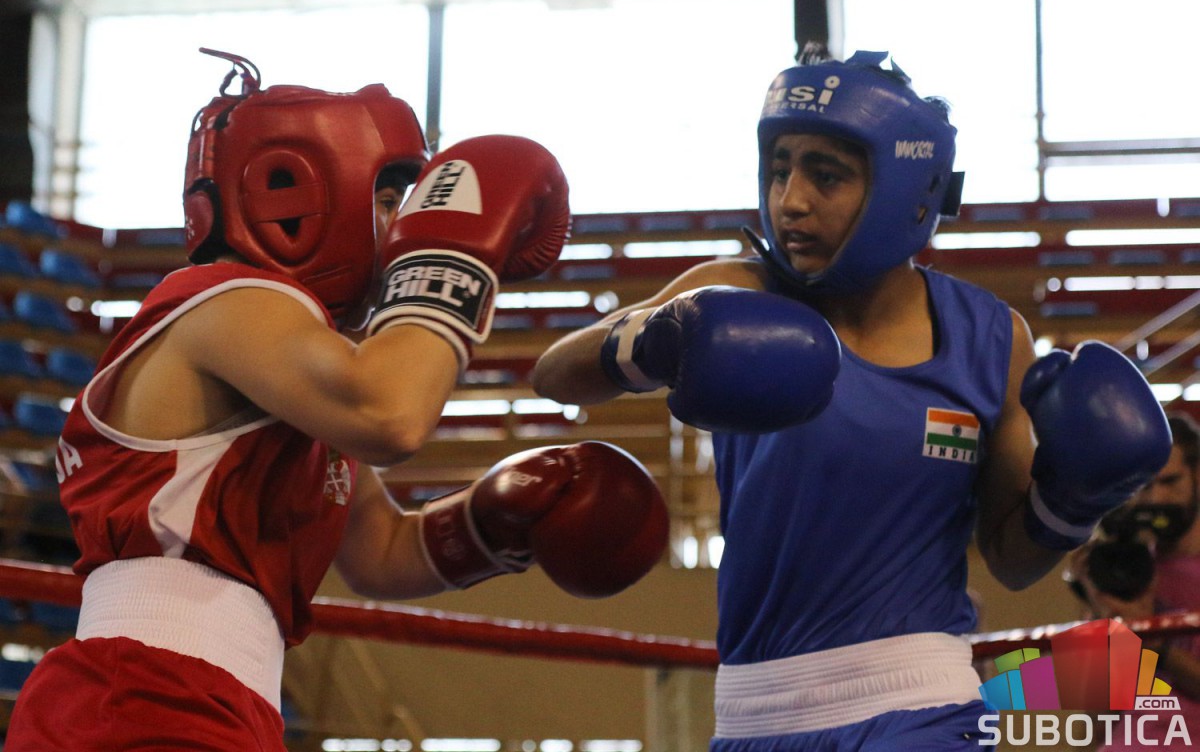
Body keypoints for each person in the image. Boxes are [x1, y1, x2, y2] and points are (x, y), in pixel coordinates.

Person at [5, 49, 669, 750]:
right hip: (145, 693)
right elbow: (390, 414)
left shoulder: (296, 372)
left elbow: (380, 551)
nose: (402, 226)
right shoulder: (227, 302)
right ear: (299, 197)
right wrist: (449, 253)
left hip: (208, 698)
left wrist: (501, 520)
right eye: (387, 201)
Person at [531, 42, 1171, 750]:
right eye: (780, 170)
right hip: (754, 710)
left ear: (908, 190)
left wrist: (1070, 504)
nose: (791, 200)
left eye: (826, 175)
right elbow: (554, 375)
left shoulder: (989, 338)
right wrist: (651, 341)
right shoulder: (734, 294)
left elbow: (1012, 560)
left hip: (920, 700)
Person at [1065, 412, 1200, 749]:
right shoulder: (1125, 569)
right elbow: (1096, 722)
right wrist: (1104, 621)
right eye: (1146, 486)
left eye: (1170, 482)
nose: (1156, 500)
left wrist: (1157, 647)